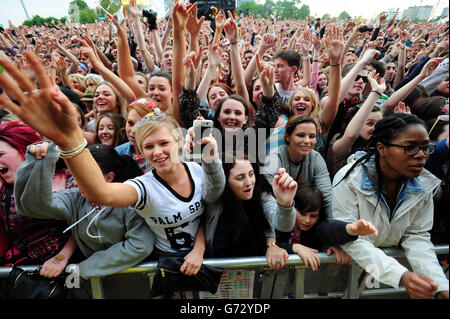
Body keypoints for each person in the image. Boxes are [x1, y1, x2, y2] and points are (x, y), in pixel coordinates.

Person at [0, 49, 223, 277]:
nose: (157, 152)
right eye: (148, 147)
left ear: (178, 141)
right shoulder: (143, 188)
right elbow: (101, 193)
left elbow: (211, 203)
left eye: (163, 143)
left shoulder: (196, 169)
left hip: (207, 259)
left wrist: (199, 248)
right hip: (164, 266)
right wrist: (69, 141)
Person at [332, 113, 449, 299]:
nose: (420, 155)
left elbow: (417, 236)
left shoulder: (425, 185)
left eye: (425, 148)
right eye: (410, 147)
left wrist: (440, 286)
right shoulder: (350, 180)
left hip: (388, 284)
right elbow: (352, 240)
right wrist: (402, 276)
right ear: (382, 148)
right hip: (343, 280)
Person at [15, 142, 155, 279]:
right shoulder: (76, 197)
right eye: (75, 175)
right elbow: (33, 207)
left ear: (109, 178)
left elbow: (140, 245)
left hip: (138, 281)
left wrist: (84, 268)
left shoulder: (129, 201)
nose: (75, 182)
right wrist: (40, 162)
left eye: (83, 176)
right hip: (94, 283)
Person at [0, 121, 74, 278]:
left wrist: (62, 256)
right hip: (30, 275)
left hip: (76, 267)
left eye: (1, 155)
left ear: (24, 148)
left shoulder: (69, 178)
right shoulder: (4, 190)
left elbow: (85, 222)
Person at [276, 184, 377, 270]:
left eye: (313, 216)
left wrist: (351, 230)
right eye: (302, 214)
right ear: (293, 208)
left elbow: (329, 230)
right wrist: (295, 247)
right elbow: (272, 246)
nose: (307, 220)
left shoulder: (317, 229)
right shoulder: (281, 223)